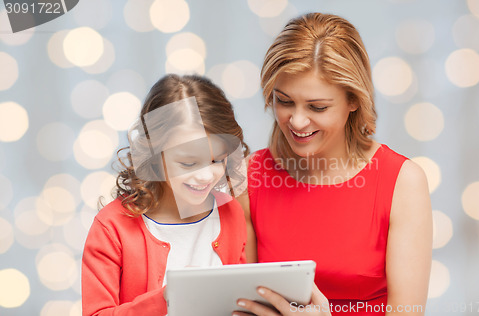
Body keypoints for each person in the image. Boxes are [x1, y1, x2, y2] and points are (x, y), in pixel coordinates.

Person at [233, 13, 432, 316]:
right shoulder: (250, 177)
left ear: (354, 101)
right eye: (284, 101)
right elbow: (238, 301)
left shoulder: (402, 183)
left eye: (317, 107)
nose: (297, 121)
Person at [82, 74, 249, 316]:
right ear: (155, 155)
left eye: (217, 160)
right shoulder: (112, 228)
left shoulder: (229, 212)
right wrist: (167, 298)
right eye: (189, 163)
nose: (205, 177)